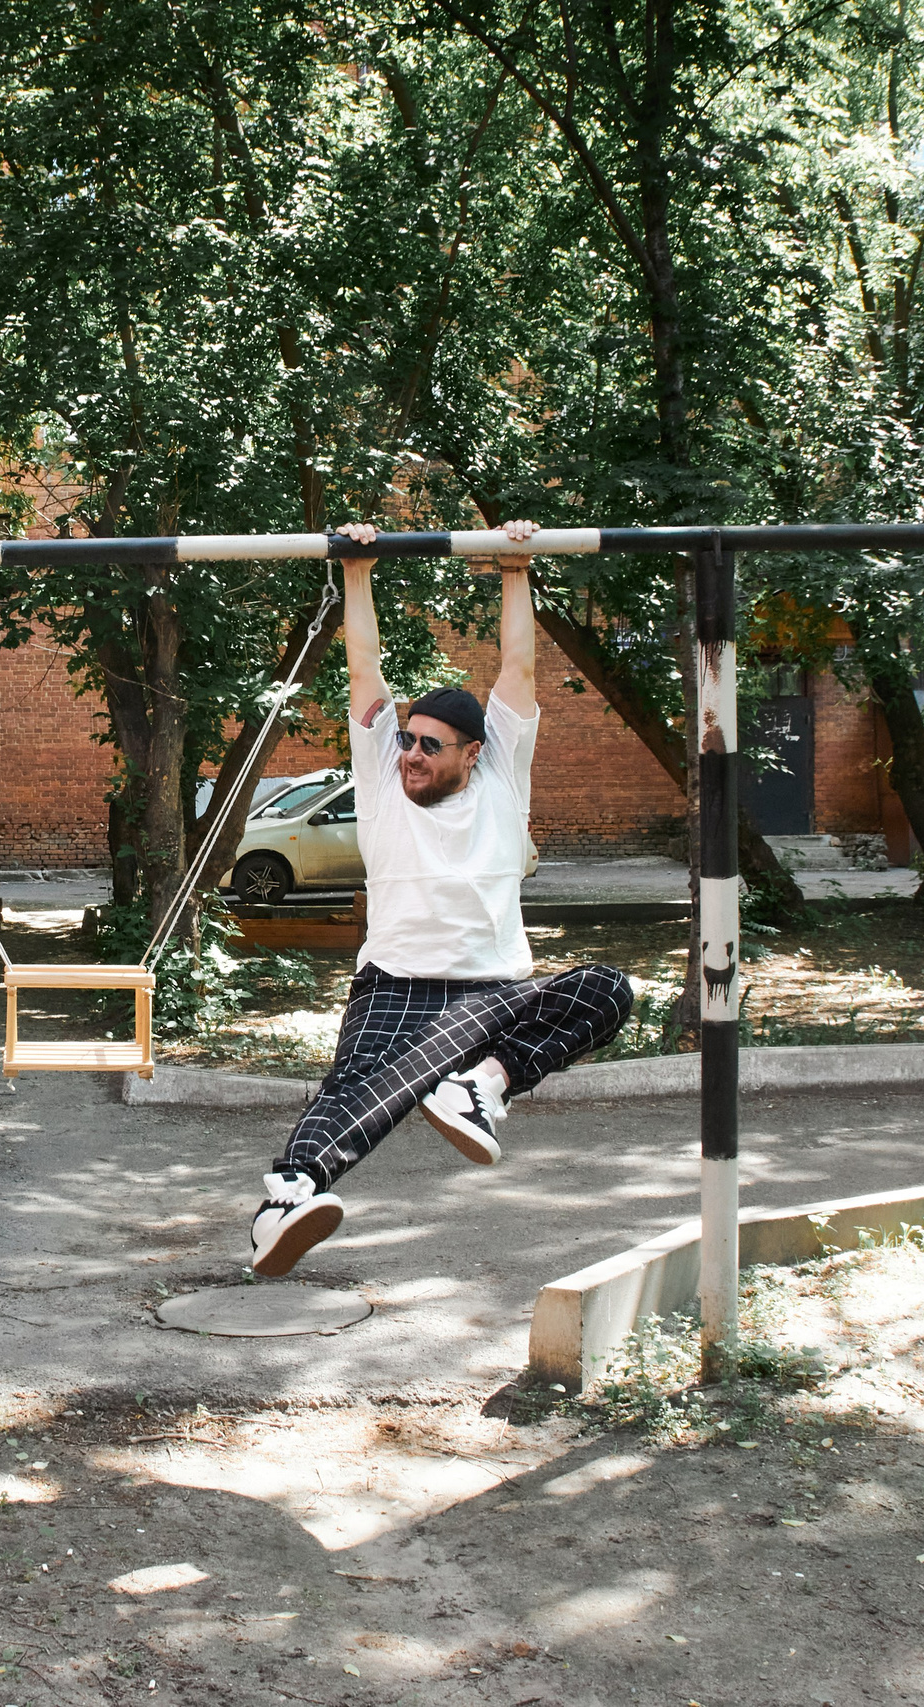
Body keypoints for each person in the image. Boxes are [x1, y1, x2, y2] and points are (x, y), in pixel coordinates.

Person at [248, 519, 635, 1276]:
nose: (413, 754)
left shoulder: (502, 779)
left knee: (606, 990)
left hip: (493, 988)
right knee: (361, 1088)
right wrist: (356, 570)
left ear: (474, 753)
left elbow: (518, 666)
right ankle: (286, 1201)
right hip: (396, 981)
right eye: (408, 739)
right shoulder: (382, 779)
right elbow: (365, 668)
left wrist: (516, 567)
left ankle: (481, 1085)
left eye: (431, 744)